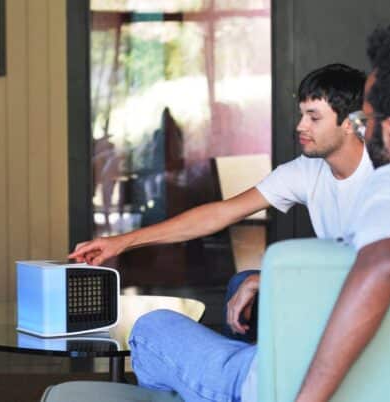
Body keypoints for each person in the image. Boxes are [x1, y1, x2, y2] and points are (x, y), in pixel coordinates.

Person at [125, 25, 390, 402]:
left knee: (151, 329)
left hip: (291, 385)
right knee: (245, 288)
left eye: (366, 121)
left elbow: (385, 263)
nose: (364, 130)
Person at [69, 63, 373, 342]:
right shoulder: (306, 171)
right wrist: (121, 243)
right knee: (243, 284)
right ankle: (253, 381)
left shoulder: (386, 176)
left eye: (314, 117)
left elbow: (379, 264)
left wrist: (280, 277)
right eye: (302, 114)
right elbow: (219, 213)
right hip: (329, 289)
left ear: (350, 123)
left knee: (240, 289)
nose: (300, 126)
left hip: (367, 297)